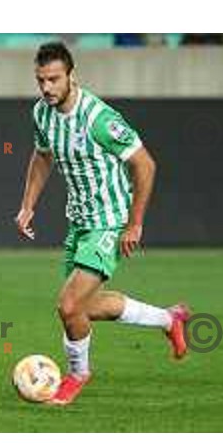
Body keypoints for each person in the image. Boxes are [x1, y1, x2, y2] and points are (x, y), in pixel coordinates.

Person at [16, 42, 190, 406]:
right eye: (40, 80)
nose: (46, 88)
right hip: (78, 221)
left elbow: (145, 164)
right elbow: (42, 157)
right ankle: (168, 319)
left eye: (53, 79)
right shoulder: (42, 113)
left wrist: (134, 223)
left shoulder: (98, 118)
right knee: (85, 307)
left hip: (109, 221)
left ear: (71, 76)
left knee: (68, 306)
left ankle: (77, 375)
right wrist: (28, 205)